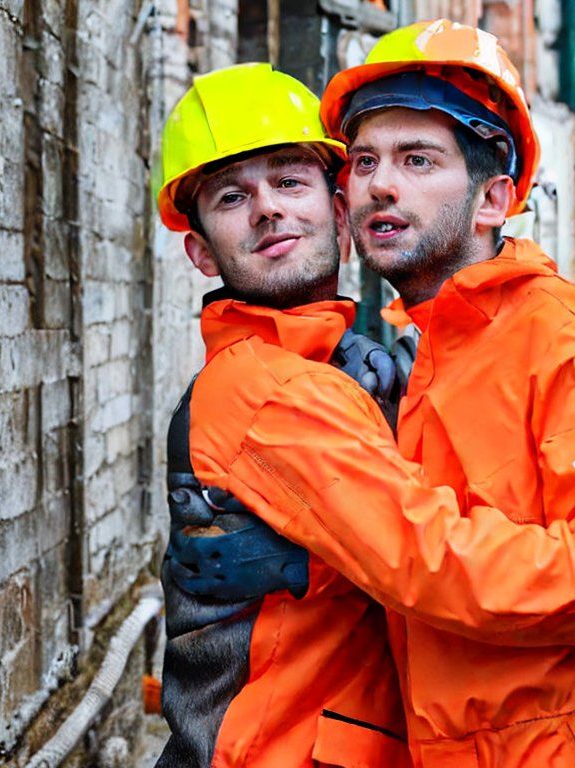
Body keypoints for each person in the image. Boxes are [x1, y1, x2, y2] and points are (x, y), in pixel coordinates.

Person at [174, 19, 575, 768]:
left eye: (417, 159)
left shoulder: (553, 339)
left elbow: (424, 556)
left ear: (493, 200)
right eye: (364, 161)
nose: (382, 183)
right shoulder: (410, 362)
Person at [155, 62, 411, 768]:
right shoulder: (262, 390)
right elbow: (428, 562)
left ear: (339, 215)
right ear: (201, 252)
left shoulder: (342, 363)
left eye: (290, 182)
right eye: (233, 196)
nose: (267, 208)